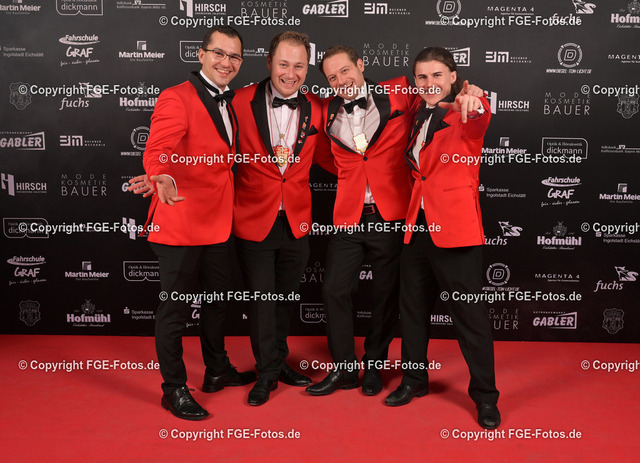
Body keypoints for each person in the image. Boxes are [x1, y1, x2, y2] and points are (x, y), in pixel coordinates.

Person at [140, 25, 255, 421]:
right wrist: (160, 175)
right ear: (202, 54)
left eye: (234, 56)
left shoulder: (231, 100)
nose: (226, 62)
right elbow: (158, 148)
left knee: (218, 301)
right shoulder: (176, 97)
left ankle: (216, 369)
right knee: (174, 311)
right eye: (219, 53)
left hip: (218, 223)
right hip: (181, 222)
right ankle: (173, 389)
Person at [382, 47, 500, 430]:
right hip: (416, 228)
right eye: (422, 77)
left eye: (437, 75)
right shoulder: (417, 112)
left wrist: (475, 100)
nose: (429, 83)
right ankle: (414, 380)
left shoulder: (464, 111)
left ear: (453, 76)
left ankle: (485, 397)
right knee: (413, 312)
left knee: (470, 317)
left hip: (456, 231)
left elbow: (479, 117)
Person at [305, 45, 419, 397]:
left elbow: (440, 96)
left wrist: (472, 95)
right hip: (349, 216)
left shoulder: (400, 91)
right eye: (332, 77)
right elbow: (325, 158)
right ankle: (344, 368)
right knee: (334, 290)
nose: (341, 80)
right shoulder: (325, 111)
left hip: (390, 214)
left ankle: (374, 365)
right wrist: (353, 174)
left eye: (345, 70)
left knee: (385, 294)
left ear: (361, 64)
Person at [231, 31, 335, 406]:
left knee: (285, 298)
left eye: (299, 66)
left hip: (296, 219)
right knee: (262, 300)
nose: (291, 74)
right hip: (253, 216)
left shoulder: (318, 107)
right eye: (283, 64)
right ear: (269, 63)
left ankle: (277, 360)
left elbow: (332, 156)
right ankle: (267, 374)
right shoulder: (238, 101)